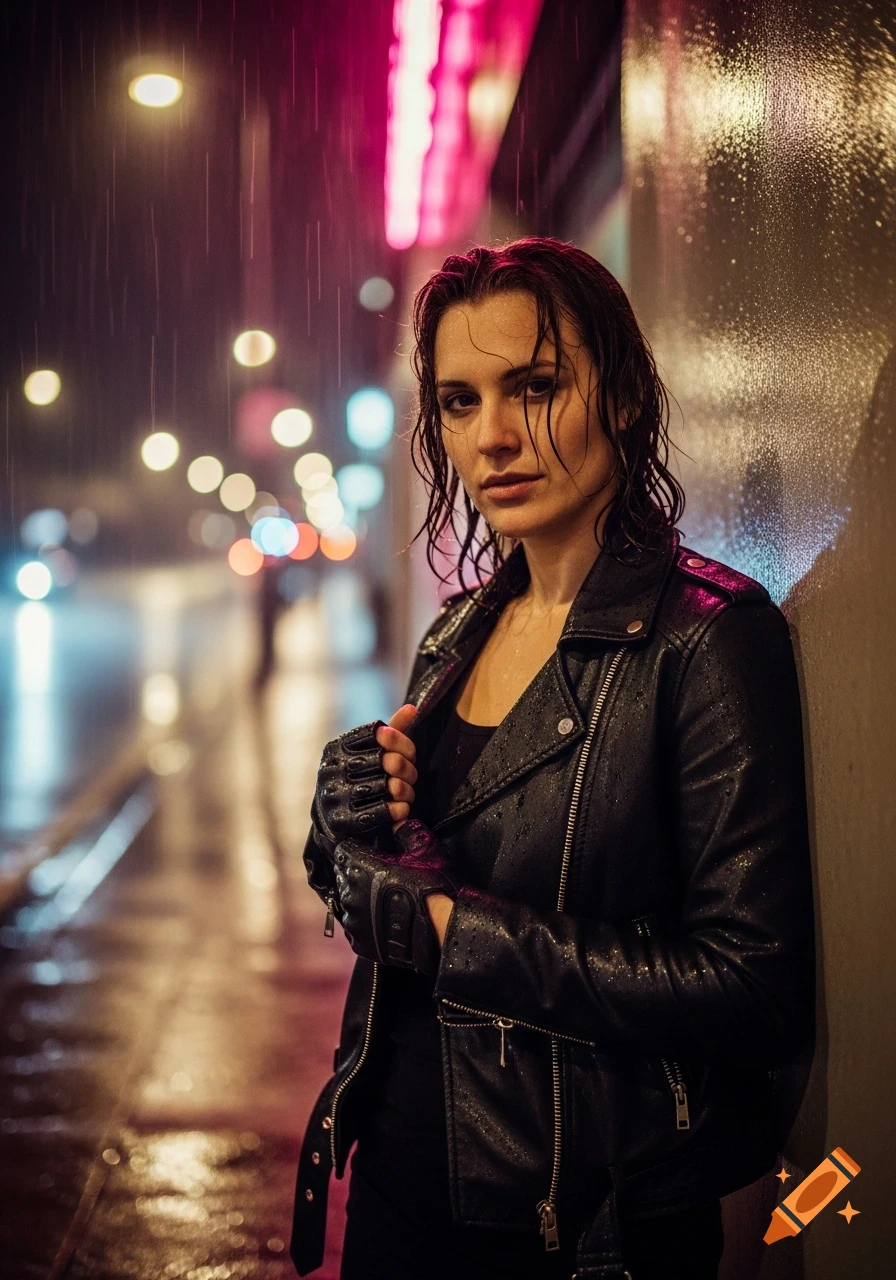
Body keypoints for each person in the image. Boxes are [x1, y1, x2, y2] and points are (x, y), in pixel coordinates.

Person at [290, 238, 815, 1280]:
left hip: (574, 1219)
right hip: (397, 1174)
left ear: (616, 393)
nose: (492, 438)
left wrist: (451, 928)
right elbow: (390, 893)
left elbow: (748, 986)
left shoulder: (704, 637)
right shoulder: (457, 633)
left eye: (533, 387)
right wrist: (344, 826)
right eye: (458, 401)